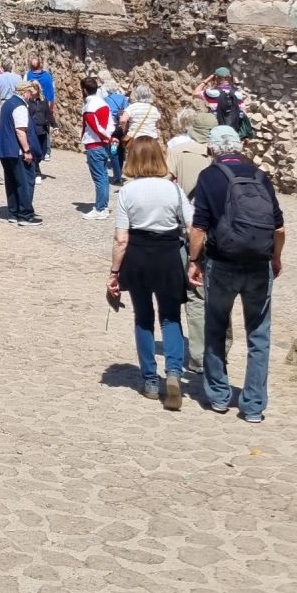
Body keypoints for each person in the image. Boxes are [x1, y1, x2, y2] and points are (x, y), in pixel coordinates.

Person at [187, 125, 285, 424]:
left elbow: (199, 227)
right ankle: (253, 406)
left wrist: (193, 260)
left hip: (222, 263)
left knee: (216, 328)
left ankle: (219, 395)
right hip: (259, 264)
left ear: (212, 149)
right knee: (259, 335)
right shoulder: (260, 175)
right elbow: (279, 228)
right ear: (240, 147)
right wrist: (276, 258)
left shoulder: (209, 176)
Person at [106, 137, 192, 409]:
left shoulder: (128, 192)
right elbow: (192, 226)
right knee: (170, 317)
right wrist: (194, 260)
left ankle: (150, 380)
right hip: (168, 255)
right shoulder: (173, 190)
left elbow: (121, 238)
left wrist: (114, 272)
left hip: (138, 256)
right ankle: (174, 372)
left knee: (143, 318)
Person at [165, 108, 215, 372]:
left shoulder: (177, 151)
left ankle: (198, 355)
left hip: (188, 228)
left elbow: (165, 185)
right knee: (216, 293)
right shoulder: (219, 155)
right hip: (216, 232)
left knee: (194, 293)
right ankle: (218, 350)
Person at [0, 80, 42, 226]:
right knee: (25, 182)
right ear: (25, 92)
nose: (31, 96)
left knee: (12, 182)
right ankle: (25, 215)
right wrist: (27, 151)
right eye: (30, 93)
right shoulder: (20, 106)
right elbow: (20, 131)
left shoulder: (7, 103)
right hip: (17, 151)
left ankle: (13, 213)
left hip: (6, 150)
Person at [80, 74, 114, 220]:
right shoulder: (104, 103)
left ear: (84, 90)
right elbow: (110, 124)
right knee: (104, 177)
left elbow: (94, 126)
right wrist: (108, 136)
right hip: (103, 144)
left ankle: (100, 208)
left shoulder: (89, 106)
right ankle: (103, 206)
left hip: (94, 144)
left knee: (99, 178)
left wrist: (104, 136)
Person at [119, 84, 161, 155]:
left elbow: (123, 120)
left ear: (137, 95)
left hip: (136, 139)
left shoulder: (132, 107)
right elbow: (158, 125)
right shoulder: (154, 109)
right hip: (151, 139)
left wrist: (124, 129)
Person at [25, 79, 52, 182]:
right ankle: (37, 173)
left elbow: (48, 114)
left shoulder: (43, 101)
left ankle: (33, 167)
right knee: (34, 152)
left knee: (42, 153)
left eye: (35, 87)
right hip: (32, 130)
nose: (33, 89)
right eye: (31, 87)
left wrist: (55, 126)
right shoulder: (27, 102)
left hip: (42, 129)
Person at [25, 52, 57, 131]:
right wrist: (52, 107)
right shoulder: (48, 76)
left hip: (32, 106)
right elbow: (52, 92)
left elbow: (24, 91)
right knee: (45, 127)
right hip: (46, 105)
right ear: (40, 65)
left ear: (31, 66)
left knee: (32, 128)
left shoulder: (28, 75)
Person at [104, 81, 129, 184]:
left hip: (113, 129)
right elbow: (127, 111)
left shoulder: (106, 100)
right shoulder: (123, 98)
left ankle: (117, 176)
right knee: (121, 150)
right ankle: (119, 171)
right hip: (122, 129)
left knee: (113, 152)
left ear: (107, 89)